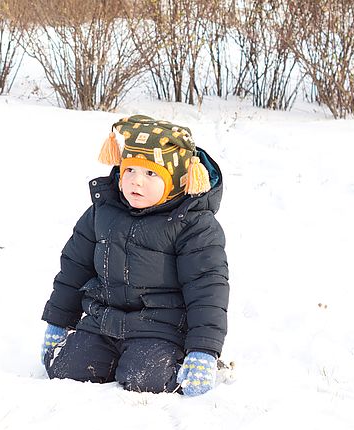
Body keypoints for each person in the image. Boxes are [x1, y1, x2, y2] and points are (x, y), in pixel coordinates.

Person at [41, 114, 229, 397]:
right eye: (130, 171)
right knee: (66, 371)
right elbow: (73, 268)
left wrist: (204, 349)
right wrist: (58, 321)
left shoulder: (194, 226)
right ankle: (107, 356)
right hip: (102, 322)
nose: (136, 182)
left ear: (179, 180)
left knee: (146, 379)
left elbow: (208, 289)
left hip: (160, 329)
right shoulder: (102, 212)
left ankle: (185, 362)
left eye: (151, 174)